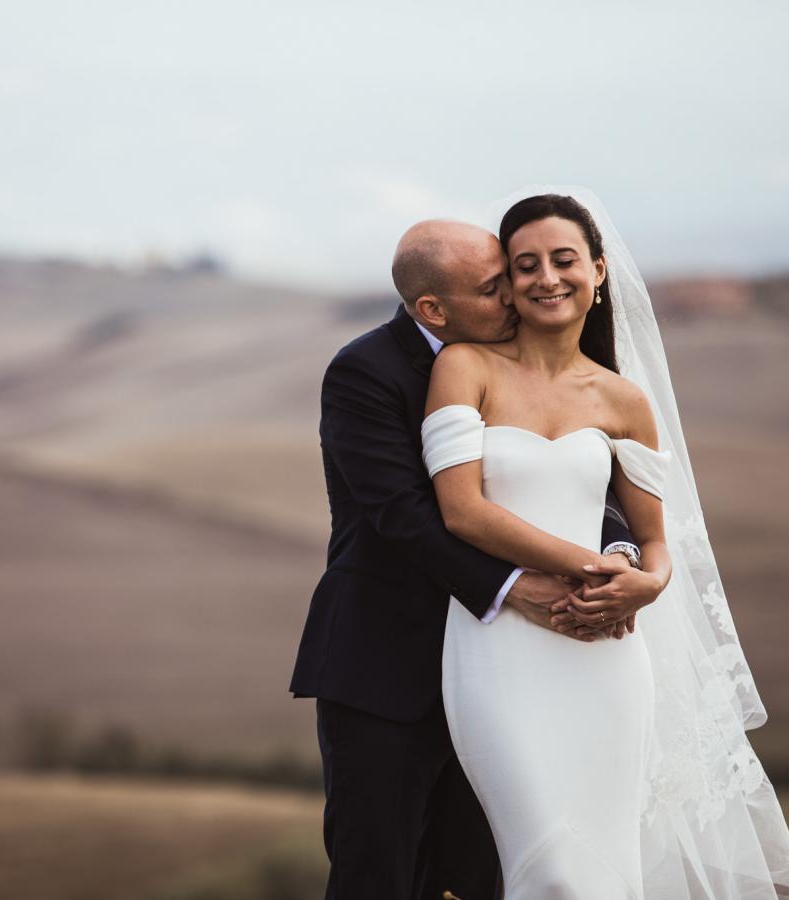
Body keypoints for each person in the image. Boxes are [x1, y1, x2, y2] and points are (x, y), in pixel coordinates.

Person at [422, 187, 789, 897]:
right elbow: (463, 513)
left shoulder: (625, 400)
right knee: (553, 872)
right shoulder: (464, 369)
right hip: (499, 647)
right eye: (525, 264)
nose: (546, 278)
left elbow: (656, 543)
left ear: (598, 271)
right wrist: (595, 569)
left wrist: (649, 582)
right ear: (506, 283)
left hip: (606, 658)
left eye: (564, 259)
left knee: (607, 871)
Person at [289, 217, 665, 899]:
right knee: (379, 874)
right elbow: (406, 515)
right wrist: (515, 586)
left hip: (513, 671)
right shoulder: (364, 372)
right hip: (386, 664)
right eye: (495, 288)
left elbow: (576, 475)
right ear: (433, 308)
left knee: (477, 878)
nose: (516, 299)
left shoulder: (530, 363)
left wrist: (619, 555)